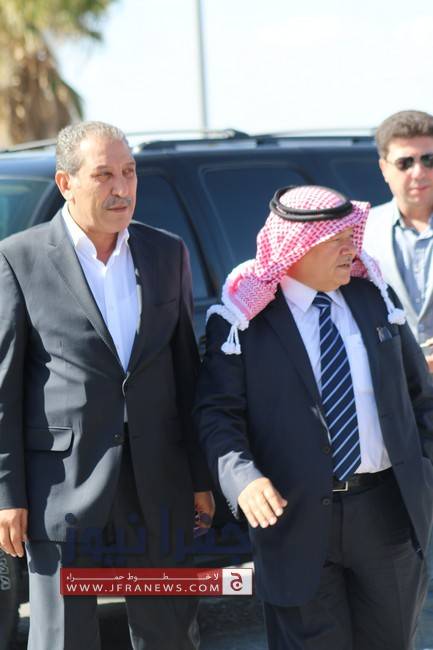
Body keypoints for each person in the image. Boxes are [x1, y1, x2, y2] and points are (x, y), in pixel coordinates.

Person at [0, 121, 214, 650]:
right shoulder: (18, 258)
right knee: (63, 638)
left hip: (159, 481)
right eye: (104, 175)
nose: (121, 188)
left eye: (129, 172)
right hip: (61, 486)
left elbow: (185, 371)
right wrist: (6, 494)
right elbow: (4, 389)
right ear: (66, 183)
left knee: (170, 634)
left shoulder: (166, 253)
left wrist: (198, 476)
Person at [194, 184, 433, 650]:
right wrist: (243, 480)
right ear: (297, 247)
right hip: (293, 521)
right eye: (337, 240)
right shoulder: (242, 319)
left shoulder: (375, 297)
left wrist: (424, 471)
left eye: (351, 236)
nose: (352, 249)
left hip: (386, 515)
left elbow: (419, 396)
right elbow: (217, 414)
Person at [364, 109, 433, 371]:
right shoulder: (360, 232)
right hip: (394, 384)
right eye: (405, 162)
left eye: (429, 160)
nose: (419, 172)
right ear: (384, 168)